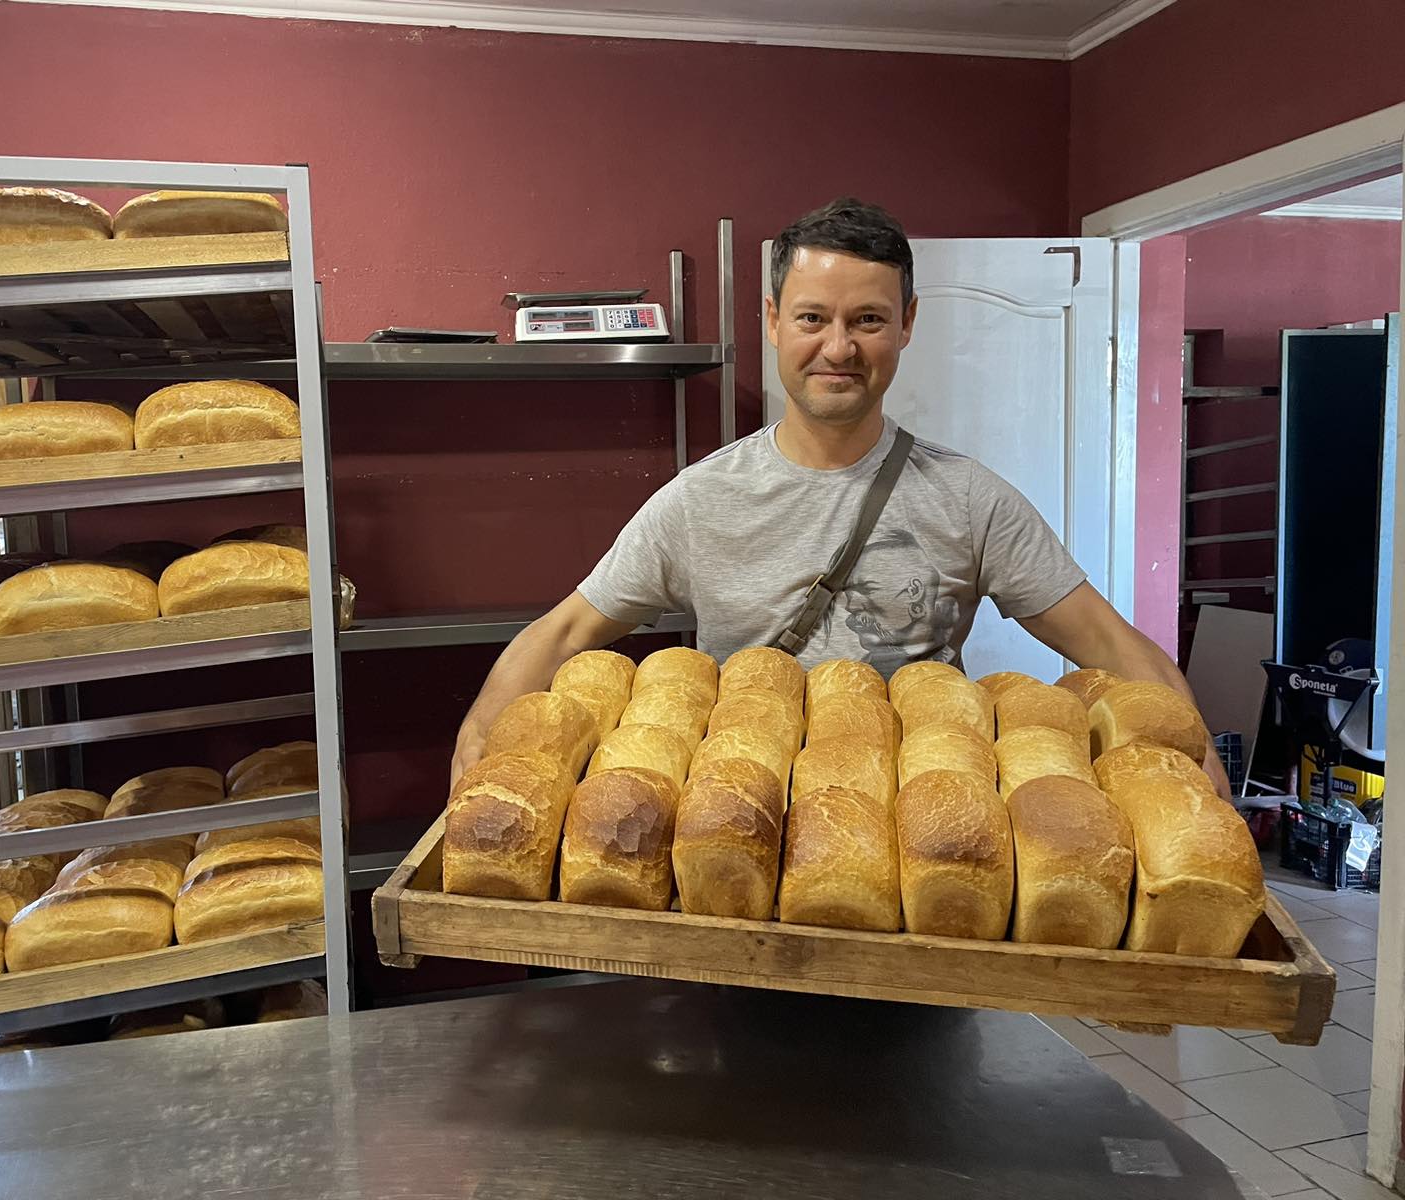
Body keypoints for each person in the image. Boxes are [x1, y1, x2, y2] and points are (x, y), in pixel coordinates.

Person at [450, 197, 1230, 797]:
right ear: (772, 322)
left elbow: (1106, 642)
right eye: (813, 318)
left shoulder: (970, 500)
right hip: (739, 824)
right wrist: (476, 746)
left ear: (906, 325)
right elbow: (566, 633)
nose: (839, 348)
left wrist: (1200, 765)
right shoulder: (702, 500)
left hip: (917, 843)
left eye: (868, 320)